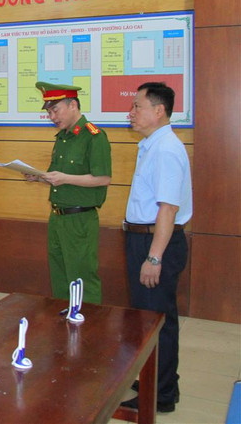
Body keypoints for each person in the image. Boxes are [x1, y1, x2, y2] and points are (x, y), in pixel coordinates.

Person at [120, 82, 191, 414]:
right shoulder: (152, 145)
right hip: (144, 238)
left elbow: (168, 208)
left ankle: (160, 394)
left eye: (137, 106)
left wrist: (154, 257)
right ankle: (158, 380)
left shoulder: (165, 150)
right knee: (152, 317)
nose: (131, 112)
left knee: (156, 320)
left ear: (159, 110)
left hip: (155, 242)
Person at [26, 82, 111, 304]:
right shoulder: (62, 137)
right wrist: (40, 177)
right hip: (57, 218)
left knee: (82, 278)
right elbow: (60, 178)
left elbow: (103, 178)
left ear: (73, 105)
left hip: (80, 220)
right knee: (60, 276)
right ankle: (64, 319)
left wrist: (64, 178)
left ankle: (89, 321)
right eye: (49, 113)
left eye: (55, 110)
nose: (52, 117)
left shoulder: (94, 136)